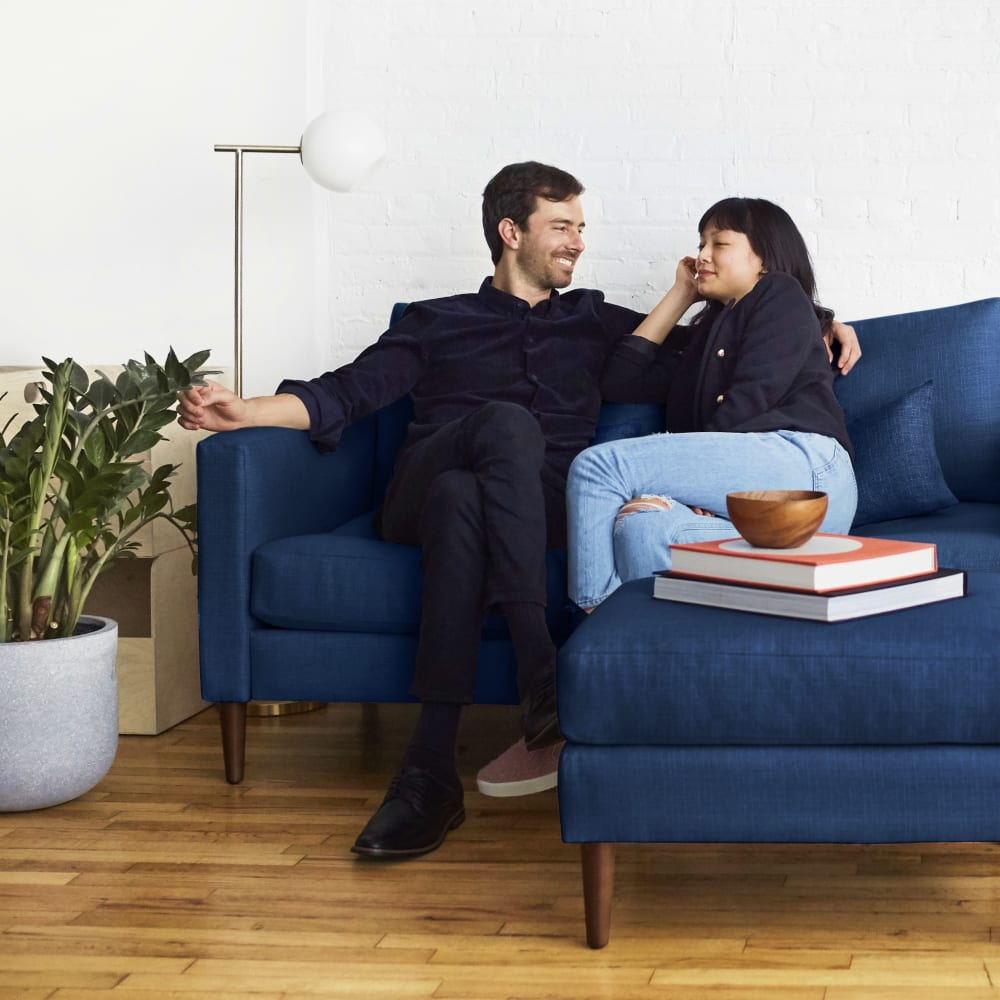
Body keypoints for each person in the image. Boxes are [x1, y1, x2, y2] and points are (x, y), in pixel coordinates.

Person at [178, 167, 861, 859]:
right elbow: (347, 393)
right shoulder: (437, 320)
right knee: (491, 437)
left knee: (465, 500)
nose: (578, 243)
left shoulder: (595, 320)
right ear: (512, 233)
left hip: (527, 506)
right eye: (562, 227)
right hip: (424, 481)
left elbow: (733, 341)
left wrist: (825, 322)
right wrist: (248, 412)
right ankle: (543, 671)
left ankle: (428, 775)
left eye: (581, 229)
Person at [566, 197, 858, 613]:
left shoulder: (779, 293)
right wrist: (681, 293)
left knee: (598, 467)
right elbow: (622, 380)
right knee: (641, 527)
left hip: (806, 475)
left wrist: (689, 482)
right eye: (701, 243)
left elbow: (751, 399)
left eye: (719, 243)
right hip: (753, 508)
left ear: (763, 258)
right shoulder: (704, 341)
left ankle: (594, 622)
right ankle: (664, 652)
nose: (701, 255)